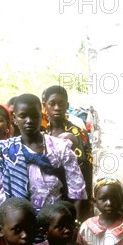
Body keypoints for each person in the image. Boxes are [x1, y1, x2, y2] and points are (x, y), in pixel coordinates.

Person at [0, 93, 87, 218]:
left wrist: (75, 224)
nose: (29, 121)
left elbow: (77, 191)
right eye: (23, 116)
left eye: (35, 116)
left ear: (42, 116)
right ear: (14, 118)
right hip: (17, 226)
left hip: (53, 224)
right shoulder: (3, 151)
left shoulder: (60, 148)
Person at [42, 85, 93, 221]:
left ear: (67, 105)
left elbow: (86, 165)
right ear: (44, 106)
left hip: (75, 195)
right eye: (52, 104)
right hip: (50, 194)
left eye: (61, 104)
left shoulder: (77, 132)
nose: (57, 108)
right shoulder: (41, 133)